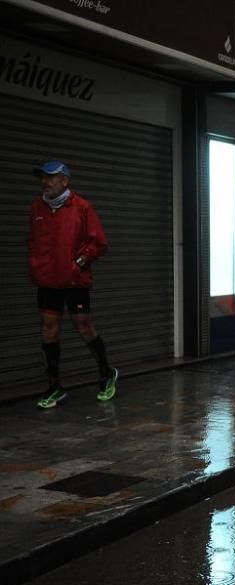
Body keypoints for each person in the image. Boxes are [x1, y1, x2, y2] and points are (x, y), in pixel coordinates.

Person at [28, 160, 118, 408]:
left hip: (75, 280)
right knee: (49, 328)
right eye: (42, 178)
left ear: (64, 180)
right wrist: (35, 265)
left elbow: (99, 243)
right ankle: (54, 386)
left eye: (51, 177)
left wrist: (77, 262)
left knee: (83, 325)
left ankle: (106, 372)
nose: (45, 182)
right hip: (47, 280)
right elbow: (34, 241)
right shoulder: (37, 206)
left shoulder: (81, 207)